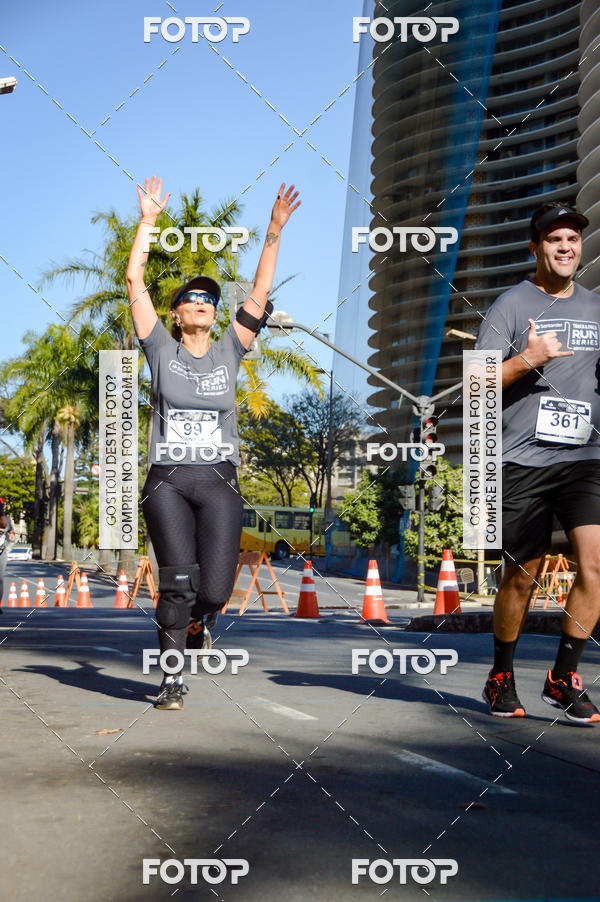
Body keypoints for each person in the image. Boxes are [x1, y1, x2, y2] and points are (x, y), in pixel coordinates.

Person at [126, 175, 300, 709]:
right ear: (176, 314)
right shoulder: (159, 348)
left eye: (207, 299)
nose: (200, 302)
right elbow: (134, 282)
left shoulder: (230, 350)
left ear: (215, 313)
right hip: (168, 482)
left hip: (219, 478)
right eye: (190, 299)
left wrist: (273, 231)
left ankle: (200, 620)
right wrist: (149, 222)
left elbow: (260, 294)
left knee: (216, 590)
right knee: (176, 581)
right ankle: (171, 679)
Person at [475, 200, 600, 724]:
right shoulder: (510, 305)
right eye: (554, 239)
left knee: (595, 566)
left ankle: (563, 676)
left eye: (572, 238)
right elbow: (475, 382)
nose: (566, 247)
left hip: (586, 457)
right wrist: (527, 359)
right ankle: (501, 674)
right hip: (522, 459)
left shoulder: (596, 307)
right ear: (536, 248)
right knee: (521, 576)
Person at [0, 497, 14, 610]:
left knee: (0, 578)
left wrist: (11, 534)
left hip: (1, 551)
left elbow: (8, 527)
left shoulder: (6, 519)